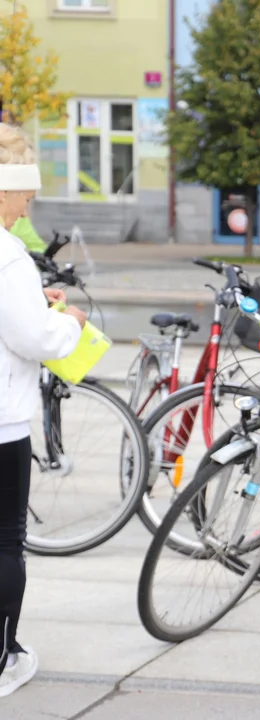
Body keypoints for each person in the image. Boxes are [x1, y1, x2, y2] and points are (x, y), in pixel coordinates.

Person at [0, 122, 86, 698]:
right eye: (25, 186)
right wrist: (68, 323)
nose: (30, 199)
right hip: (1, 421)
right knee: (6, 541)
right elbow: (33, 338)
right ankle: (5, 658)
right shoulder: (7, 254)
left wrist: (35, 300)